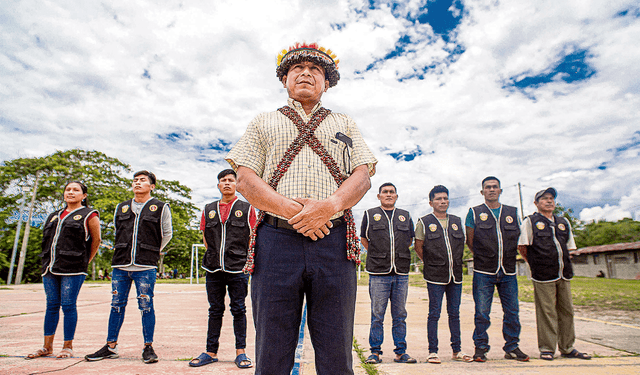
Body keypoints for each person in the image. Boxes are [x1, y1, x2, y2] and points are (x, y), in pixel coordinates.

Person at [226, 42, 377, 375]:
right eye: (297, 69)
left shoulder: (345, 123)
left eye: (316, 70)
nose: (306, 74)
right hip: (276, 242)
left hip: (334, 241)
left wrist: (330, 206)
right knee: (272, 349)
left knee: (337, 349)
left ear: (326, 82)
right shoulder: (263, 121)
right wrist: (297, 212)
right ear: (284, 80)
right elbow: (245, 179)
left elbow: (363, 175)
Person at [85, 170, 172, 364]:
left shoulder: (160, 207)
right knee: (116, 305)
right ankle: (110, 346)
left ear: (152, 186)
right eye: (135, 180)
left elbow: (167, 233)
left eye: (142, 180)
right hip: (121, 264)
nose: (138, 183)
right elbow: (119, 231)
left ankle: (148, 347)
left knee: (146, 305)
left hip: (145, 266)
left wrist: (152, 250)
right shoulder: (121, 207)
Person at [189, 169, 256, 369]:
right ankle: (210, 351)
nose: (226, 183)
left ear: (237, 185)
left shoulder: (247, 208)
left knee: (238, 309)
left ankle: (241, 352)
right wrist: (214, 256)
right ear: (218, 185)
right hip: (213, 268)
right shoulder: (209, 208)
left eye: (230, 180)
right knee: (215, 309)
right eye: (222, 180)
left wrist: (247, 261)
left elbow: (253, 236)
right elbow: (205, 236)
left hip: (238, 268)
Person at [26, 181, 101, 360]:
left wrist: (84, 262)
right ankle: (47, 347)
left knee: (68, 306)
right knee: (51, 306)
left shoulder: (89, 215)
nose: (71, 192)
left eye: (76, 190)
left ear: (84, 196)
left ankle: (67, 346)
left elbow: (96, 241)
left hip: (73, 269)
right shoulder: (54, 215)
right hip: (50, 267)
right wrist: (46, 262)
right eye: (68, 189)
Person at [517, 188, 592, 361]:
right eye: (544, 199)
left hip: (564, 273)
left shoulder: (562, 222)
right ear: (536, 203)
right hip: (543, 275)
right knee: (547, 312)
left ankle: (567, 347)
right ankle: (547, 348)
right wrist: (536, 264)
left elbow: (569, 247)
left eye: (551, 199)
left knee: (567, 311)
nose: (549, 201)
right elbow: (523, 246)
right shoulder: (530, 221)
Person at [465, 176, 529, 362]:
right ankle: (481, 347)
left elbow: (519, 238)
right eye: (487, 187)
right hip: (484, 271)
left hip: (508, 270)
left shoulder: (511, 212)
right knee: (482, 312)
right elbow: (470, 240)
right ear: (482, 191)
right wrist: (485, 255)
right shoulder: (475, 212)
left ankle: (512, 346)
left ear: (500, 190)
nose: (491, 190)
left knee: (512, 311)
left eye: (495, 187)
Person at [415, 185, 472, 364]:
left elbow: (460, 244)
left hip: (455, 275)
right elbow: (419, 247)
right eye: (438, 199)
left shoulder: (456, 220)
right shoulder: (424, 222)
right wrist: (431, 263)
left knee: (454, 313)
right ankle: (433, 351)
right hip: (435, 275)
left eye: (445, 198)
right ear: (431, 202)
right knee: (434, 313)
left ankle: (457, 350)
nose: (442, 201)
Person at [361, 183, 416, 364]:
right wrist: (379, 255)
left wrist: (396, 255)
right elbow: (364, 239)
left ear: (396, 196)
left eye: (392, 192)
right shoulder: (370, 215)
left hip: (400, 272)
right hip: (378, 273)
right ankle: (375, 352)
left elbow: (409, 239)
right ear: (379, 196)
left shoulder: (405, 216)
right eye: (385, 192)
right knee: (377, 314)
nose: (388, 194)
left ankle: (401, 352)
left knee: (400, 314)